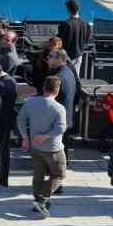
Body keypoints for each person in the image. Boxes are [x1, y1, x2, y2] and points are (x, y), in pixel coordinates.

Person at [18, 75, 66, 216]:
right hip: (53, 148)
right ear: (57, 91)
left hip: (35, 147)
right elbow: (61, 128)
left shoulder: (30, 103)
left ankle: (37, 201)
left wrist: (25, 137)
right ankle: (42, 199)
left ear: (44, 88)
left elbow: (20, 119)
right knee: (58, 175)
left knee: (38, 174)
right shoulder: (59, 108)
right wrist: (45, 136)